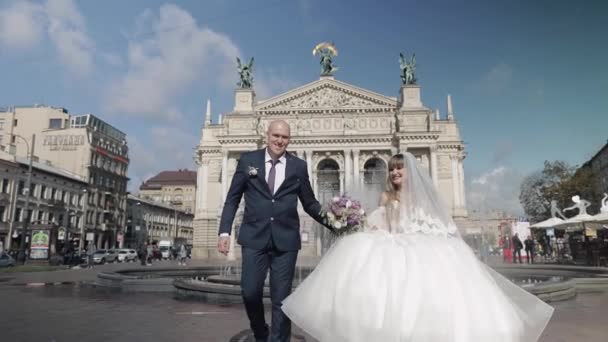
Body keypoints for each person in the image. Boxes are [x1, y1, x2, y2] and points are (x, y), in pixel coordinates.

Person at [281, 153, 553, 341]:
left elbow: (435, 225)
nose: (395, 172)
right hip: (391, 249)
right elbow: (382, 222)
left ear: (410, 172)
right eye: (392, 169)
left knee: (422, 308)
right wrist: (356, 220)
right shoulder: (386, 195)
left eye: (400, 168)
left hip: (417, 252)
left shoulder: (423, 198)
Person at [218, 120, 330, 342]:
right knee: (250, 293)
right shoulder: (248, 161)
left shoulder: (298, 166)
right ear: (267, 135)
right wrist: (224, 232)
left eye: (285, 137)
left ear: (289, 140)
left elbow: (309, 203)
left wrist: (336, 220)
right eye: (276, 135)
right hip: (254, 238)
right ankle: (261, 332)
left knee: (282, 299)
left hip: (285, 241)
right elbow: (232, 199)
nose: (280, 140)